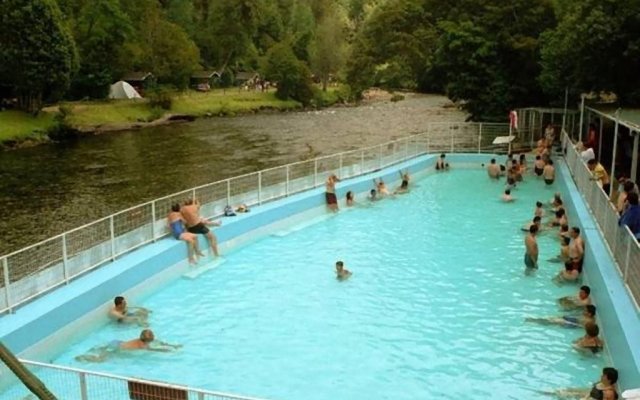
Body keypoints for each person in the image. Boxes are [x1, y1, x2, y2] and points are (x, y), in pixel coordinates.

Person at [75, 329, 181, 362]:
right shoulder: (142, 345)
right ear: (147, 340)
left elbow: (158, 342)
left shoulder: (141, 339)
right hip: (115, 347)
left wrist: (172, 345)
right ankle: (83, 357)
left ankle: (93, 350)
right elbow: (154, 350)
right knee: (100, 360)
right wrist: (168, 350)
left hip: (117, 342)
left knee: (100, 350)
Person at [540, 367, 618, 400]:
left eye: (604, 375)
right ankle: (553, 392)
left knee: (563, 394)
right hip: (589, 393)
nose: (601, 376)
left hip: (591, 397)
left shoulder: (609, 393)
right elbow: (592, 389)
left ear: (609, 380)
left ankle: (551, 393)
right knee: (567, 389)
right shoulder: (601, 382)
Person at [525, 304, 596, 328]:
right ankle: (536, 320)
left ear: (589, 314)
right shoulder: (585, 316)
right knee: (551, 318)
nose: (584, 311)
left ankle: (534, 321)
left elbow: (579, 326)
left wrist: (566, 322)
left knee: (552, 321)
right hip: (571, 320)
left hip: (572, 323)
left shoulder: (589, 321)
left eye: (585, 310)